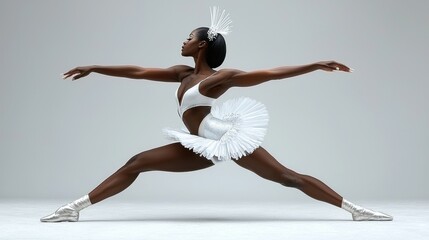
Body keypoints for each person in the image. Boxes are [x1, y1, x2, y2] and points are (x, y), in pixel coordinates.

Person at [41, 7, 392, 222]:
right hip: (199, 145)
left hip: (225, 138)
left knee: (288, 177)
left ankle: (354, 209)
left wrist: (314, 64)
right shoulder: (182, 73)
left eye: (188, 38)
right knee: (137, 162)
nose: (183, 42)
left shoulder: (220, 79)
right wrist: (95, 67)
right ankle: (75, 208)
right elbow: (138, 71)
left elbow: (270, 73)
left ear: (202, 44)